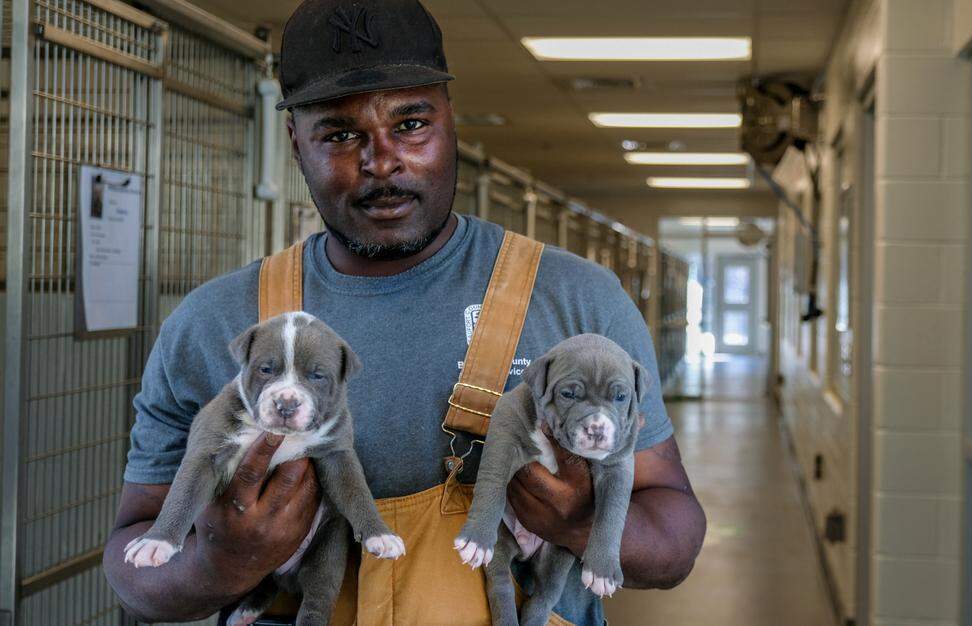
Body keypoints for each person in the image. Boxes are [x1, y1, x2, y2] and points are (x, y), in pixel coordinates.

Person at [100, 0, 706, 624]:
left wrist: (582, 522)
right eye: (339, 134)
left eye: (411, 123)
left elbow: (675, 533)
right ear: (295, 143)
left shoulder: (578, 302)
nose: (381, 161)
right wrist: (222, 563)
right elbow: (131, 563)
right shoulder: (213, 323)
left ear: (451, 119)